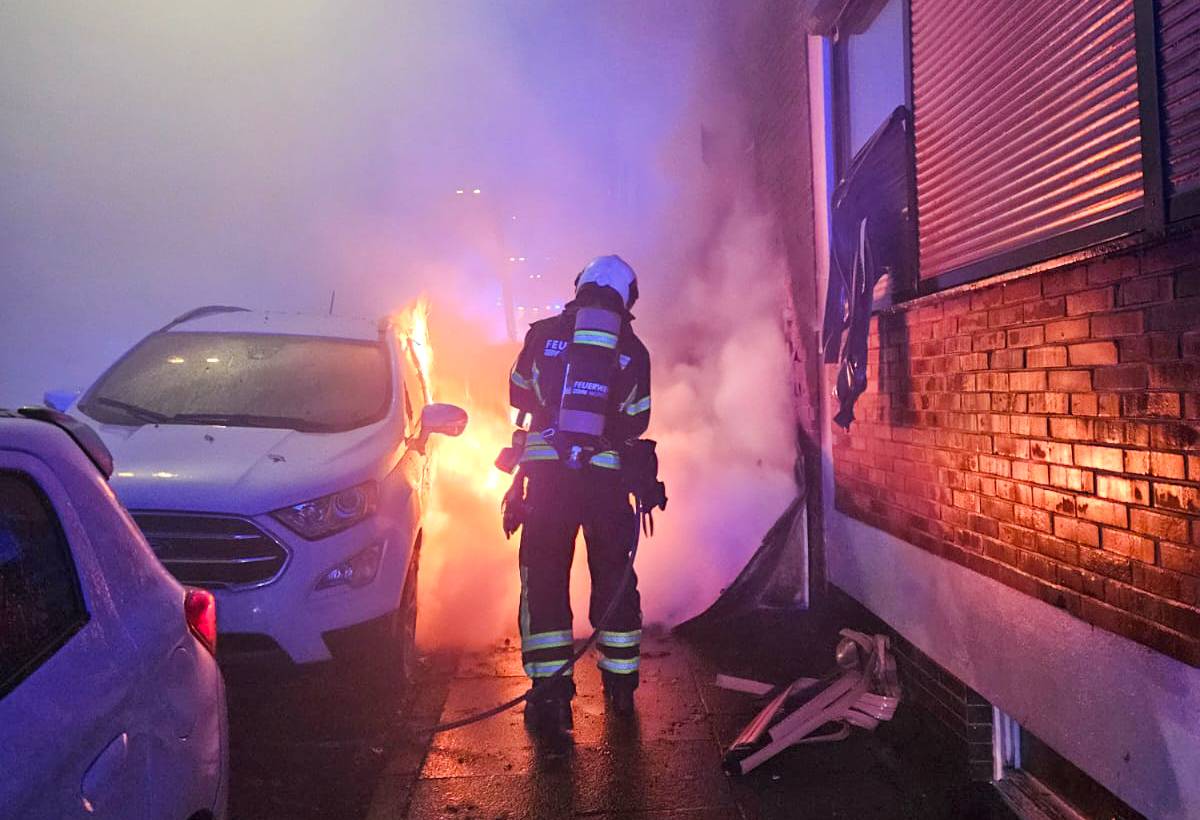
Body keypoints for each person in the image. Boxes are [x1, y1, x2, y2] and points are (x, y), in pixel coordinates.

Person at [503, 254, 652, 740]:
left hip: (549, 483)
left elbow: (518, 392)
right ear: (626, 297)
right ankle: (621, 687)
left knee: (545, 579)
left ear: (580, 285)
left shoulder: (543, 335)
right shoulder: (632, 349)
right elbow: (637, 417)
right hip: (606, 486)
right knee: (613, 576)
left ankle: (551, 699)